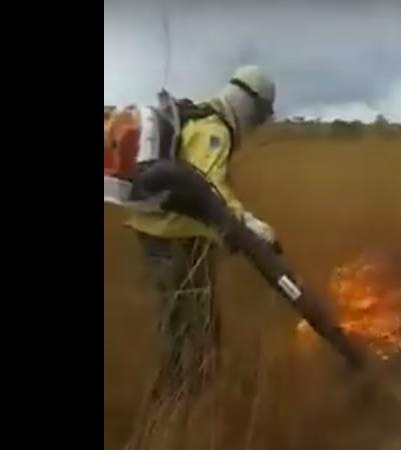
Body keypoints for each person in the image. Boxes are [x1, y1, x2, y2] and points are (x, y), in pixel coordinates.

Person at [124, 65, 277, 449]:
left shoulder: (199, 118)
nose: (256, 125)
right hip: (177, 245)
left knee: (191, 329)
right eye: (259, 115)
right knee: (192, 337)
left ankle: (185, 402)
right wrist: (252, 226)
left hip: (159, 239)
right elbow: (210, 189)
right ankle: (175, 417)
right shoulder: (214, 131)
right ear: (250, 105)